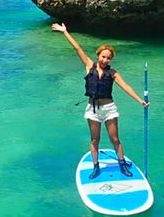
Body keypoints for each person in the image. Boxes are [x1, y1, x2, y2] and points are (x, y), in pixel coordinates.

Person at [52, 22, 148, 179]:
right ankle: (96, 167)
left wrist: (140, 101)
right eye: (103, 57)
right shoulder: (89, 66)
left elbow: (126, 87)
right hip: (92, 110)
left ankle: (122, 165)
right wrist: (65, 32)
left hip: (109, 109)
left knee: (115, 139)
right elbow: (77, 48)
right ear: (98, 56)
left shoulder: (113, 73)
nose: (105, 60)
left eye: (108, 58)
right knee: (95, 139)